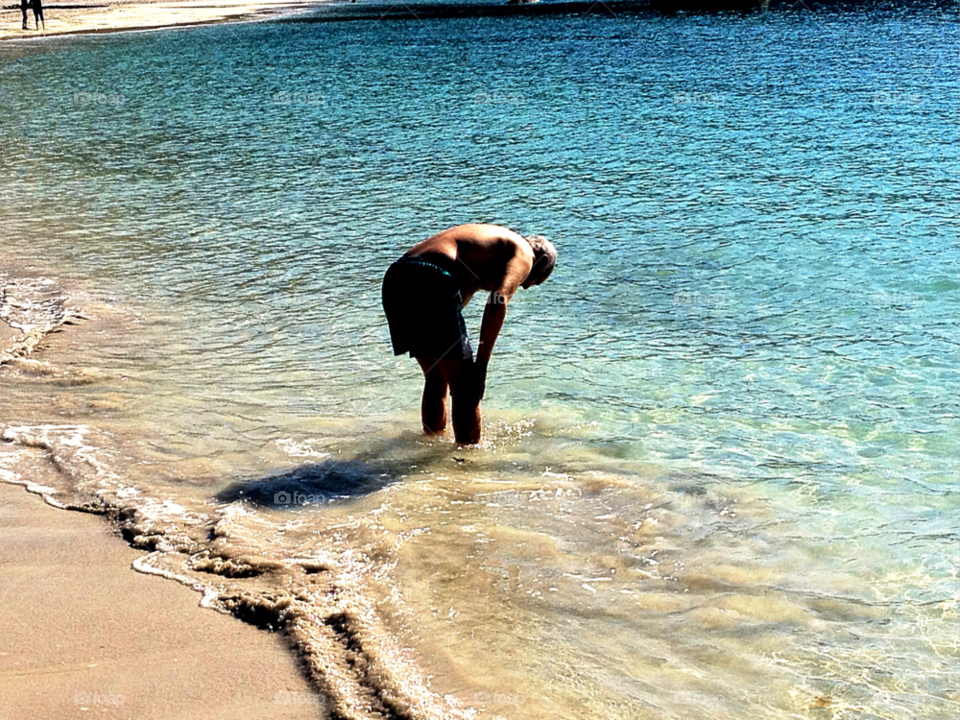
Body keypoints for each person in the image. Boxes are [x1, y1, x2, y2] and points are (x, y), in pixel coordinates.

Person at [381, 223, 557, 445]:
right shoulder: (525, 253)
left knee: (437, 376)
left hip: (397, 279)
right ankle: (467, 466)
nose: (525, 286)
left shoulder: (488, 250)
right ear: (540, 265)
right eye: (533, 282)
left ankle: (429, 450)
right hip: (429, 277)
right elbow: (498, 301)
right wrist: (481, 366)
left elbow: (450, 308)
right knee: (467, 390)